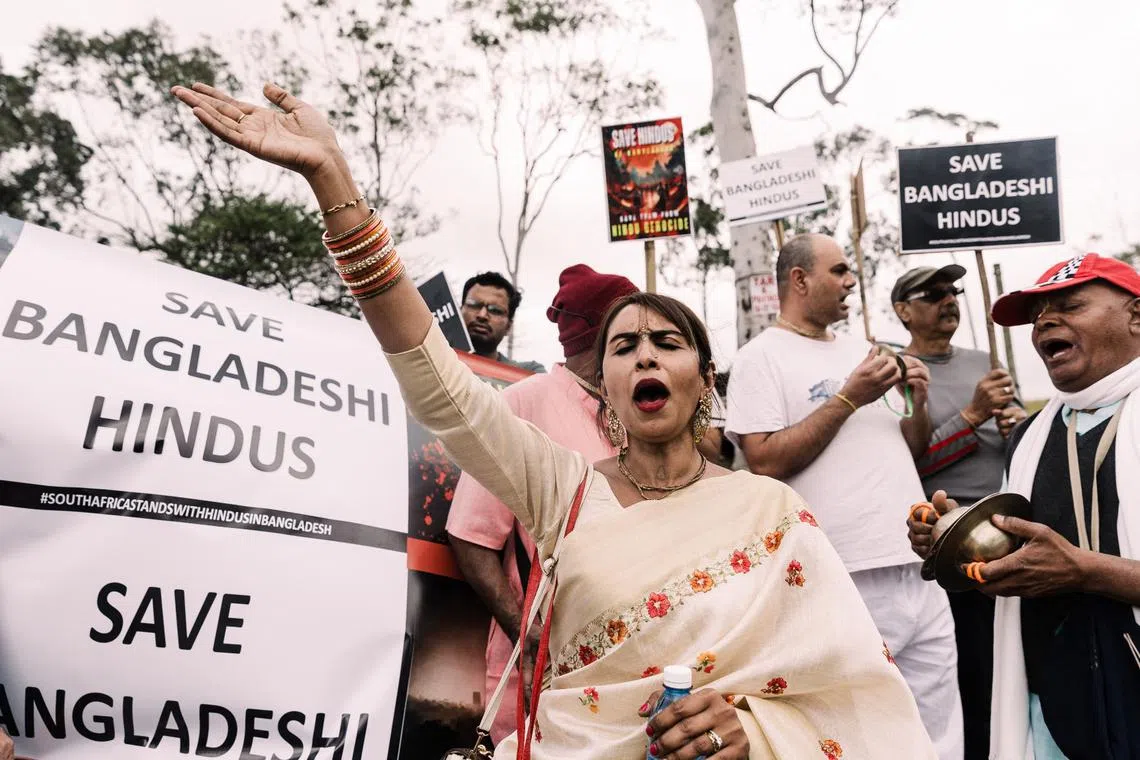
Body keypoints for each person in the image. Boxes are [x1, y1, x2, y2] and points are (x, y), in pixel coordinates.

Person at [172, 81, 937, 759]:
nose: (644, 357)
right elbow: (437, 380)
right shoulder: (561, 488)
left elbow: (846, 689)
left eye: (667, 343)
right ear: (599, 383)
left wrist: (751, 729)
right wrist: (331, 178)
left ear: (705, 380)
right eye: (623, 346)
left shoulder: (769, 512)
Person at [726, 234, 964, 760]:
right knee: (858, 729)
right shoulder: (759, 358)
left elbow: (912, 445)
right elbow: (764, 459)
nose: (851, 281)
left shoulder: (865, 349)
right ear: (799, 280)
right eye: (838, 271)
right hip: (842, 573)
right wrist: (849, 397)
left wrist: (918, 403)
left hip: (916, 563)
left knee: (939, 727)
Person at [910, 253, 1140, 760]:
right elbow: (1020, 570)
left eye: (1070, 305)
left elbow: (1068, 568)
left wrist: (1085, 571)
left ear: (1136, 316)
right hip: (1054, 701)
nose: (1045, 323)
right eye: (1038, 315)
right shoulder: (1033, 436)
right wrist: (956, 541)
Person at [447, 263, 638, 744]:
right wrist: (527, 636)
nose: (646, 349)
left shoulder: (635, 410)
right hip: (544, 668)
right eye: (633, 333)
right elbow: (469, 536)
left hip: (631, 662)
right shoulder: (521, 403)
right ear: (601, 336)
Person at [892, 263, 1027, 759]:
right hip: (946, 538)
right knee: (968, 669)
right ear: (903, 311)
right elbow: (914, 459)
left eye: (954, 291)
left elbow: (1006, 443)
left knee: (1014, 658)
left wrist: (1018, 430)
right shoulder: (898, 370)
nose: (949, 299)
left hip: (1007, 528)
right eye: (933, 293)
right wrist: (972, 414)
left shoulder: (983, 359)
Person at [462, 271, 546, 373]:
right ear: (459, 310)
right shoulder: (438, 361)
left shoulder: (528, 373)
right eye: (474, 305)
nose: (482, 315)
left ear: (508, 327)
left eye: (495, 310)